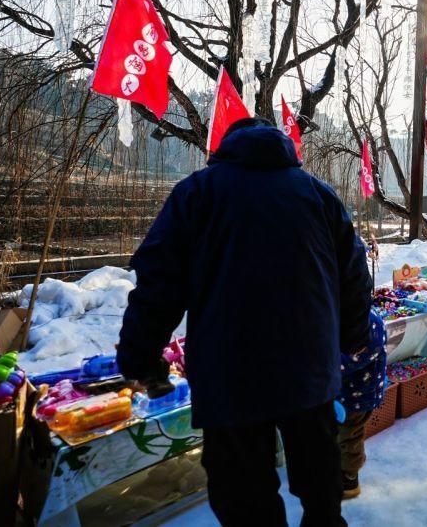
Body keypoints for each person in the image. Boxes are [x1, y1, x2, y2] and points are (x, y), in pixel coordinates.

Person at [117, 117, 371, 527]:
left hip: (230, 374)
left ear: (226, 147)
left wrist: (139, 357)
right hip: (308, 369)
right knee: (320, 482)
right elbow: (355, 274)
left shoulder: (197, 193)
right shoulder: (317, 194)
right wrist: (353, 335)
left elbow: (158, 285)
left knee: (245, 496)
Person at [338, 309, 387, 501]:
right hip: (344, 393)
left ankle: (350, 479)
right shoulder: (346, 316)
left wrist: (320, 364)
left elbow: (349, 361)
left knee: (350, 436)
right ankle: (341, 466)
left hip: (360, 396)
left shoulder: (369, 324)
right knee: (341, 433)